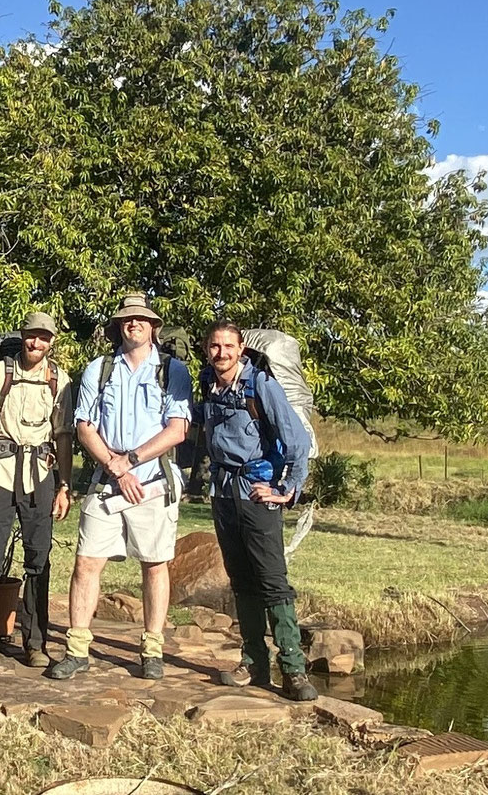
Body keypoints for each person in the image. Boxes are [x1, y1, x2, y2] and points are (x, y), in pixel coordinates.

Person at [47, 292, 193, 682]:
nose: (134, 324)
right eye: (127, 320)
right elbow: (84, 425)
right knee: (86, 563)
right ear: (119, 327)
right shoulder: (99, 369)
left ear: (153, 327)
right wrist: (116, 467)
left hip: (153, 483)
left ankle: (152, 649)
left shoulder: (172, 371)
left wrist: (131, 462)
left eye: (141, 320)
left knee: (155, 565)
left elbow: (177, 430)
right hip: (108, 481)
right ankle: (77, 649)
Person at [195, 320, 317, 700]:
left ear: (242, 348)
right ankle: (253, 662)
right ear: (206, 348)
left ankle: (294, 670)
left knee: (272, 579)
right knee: (241, 579)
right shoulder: (208, 384)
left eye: (229, 346)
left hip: (256, 493)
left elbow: (295, 439)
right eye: (215, 346)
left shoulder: (259, 384)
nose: (222, 353)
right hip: (223, 492)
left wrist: (287, 490)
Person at [0, 311, 74, 670]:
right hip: (0, 474)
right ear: (23, 336)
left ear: (52, 342)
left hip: (40, 477)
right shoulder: (1, 372)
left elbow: (64, 436)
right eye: (30, 335)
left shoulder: (60, 380)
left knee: (38, 561)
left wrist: (64, 487)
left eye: (43, 337)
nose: (35, 343)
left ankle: (36, 643)